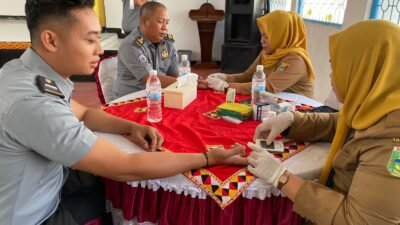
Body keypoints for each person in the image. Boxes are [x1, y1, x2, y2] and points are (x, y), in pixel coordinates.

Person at [0, 1, 247, 224]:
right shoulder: (36, 103)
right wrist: (207, 158)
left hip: (51, 180)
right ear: (51, 40)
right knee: (134, 202)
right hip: (37, 214)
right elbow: (125, 165)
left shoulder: (20, 72)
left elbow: (84, 113)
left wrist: (131, 126)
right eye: (90, 40)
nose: (100, 50)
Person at [247, 20, 400, 224]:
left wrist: (281, 177)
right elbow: (340, 122)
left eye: (335, 66)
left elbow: (358, 220)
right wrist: (292, 120)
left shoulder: (392, 144)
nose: (330, 75)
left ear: (361, 70)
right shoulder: (378, 105)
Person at [206, 10, 315, 99]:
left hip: (299, 109)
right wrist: (224, 77)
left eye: (266, 36)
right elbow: (247, 76)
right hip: (276, 103)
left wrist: (224, 86)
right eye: (261, 35)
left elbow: (267, 87)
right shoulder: (268, 53)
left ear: (280, 35)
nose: (261, 41)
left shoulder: (295, 59)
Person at [110, 1, 179, 101]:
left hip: (156, 97)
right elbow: (149, 79)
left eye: (167, 22)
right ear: (144, 22)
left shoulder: (168, 43)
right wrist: (185, 83)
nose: (165, 27)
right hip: (128, 101)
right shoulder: (130, 45)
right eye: (160, 22)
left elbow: (174, 75)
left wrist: (188, 82)